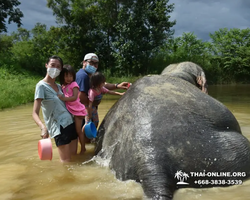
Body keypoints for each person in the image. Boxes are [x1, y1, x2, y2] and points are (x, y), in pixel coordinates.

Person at [32, 55, 78, 163]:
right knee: (66, 162)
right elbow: (34, 112)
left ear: (61, 69)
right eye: (53, 65)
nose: (55, 68)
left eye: (58, 67)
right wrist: (42, 127)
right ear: (46, 65)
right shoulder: (41, 86)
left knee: (76, 159)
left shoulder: (59, 86)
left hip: (70, 123)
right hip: (58, 128)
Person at [76, 53, 130, 128]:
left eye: (96, 63)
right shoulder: (83, 76)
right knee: (86, 132)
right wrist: (94, 103)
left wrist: (117, 86)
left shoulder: (91, 75)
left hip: (88, 110)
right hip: (84, 112)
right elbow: (81, 98)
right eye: (91, 62)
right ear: (84, 62)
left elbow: (102, 85)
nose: (94, 65)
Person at [58, 64, 87, 154]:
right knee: (74, 131)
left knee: (78, 131)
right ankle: (77, 148)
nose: (68, 78)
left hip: (77, 111)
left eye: (70, 76)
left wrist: (63, 98)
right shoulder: (63, 86)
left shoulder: (74, 84)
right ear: (63, 76)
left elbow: (74, 97)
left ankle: (83, 148)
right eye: (66, 76)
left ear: (73, 76)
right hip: (71, 110)